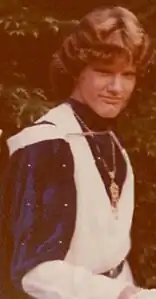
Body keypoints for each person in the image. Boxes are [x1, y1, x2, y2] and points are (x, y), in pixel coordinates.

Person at [0, 6, 155, 299]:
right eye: (103, 72)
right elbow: (33, 271)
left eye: (129, 74)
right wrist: (124, 295)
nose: (117, 87)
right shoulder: (45, 144)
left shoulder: (107, 136)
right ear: (77, 72)